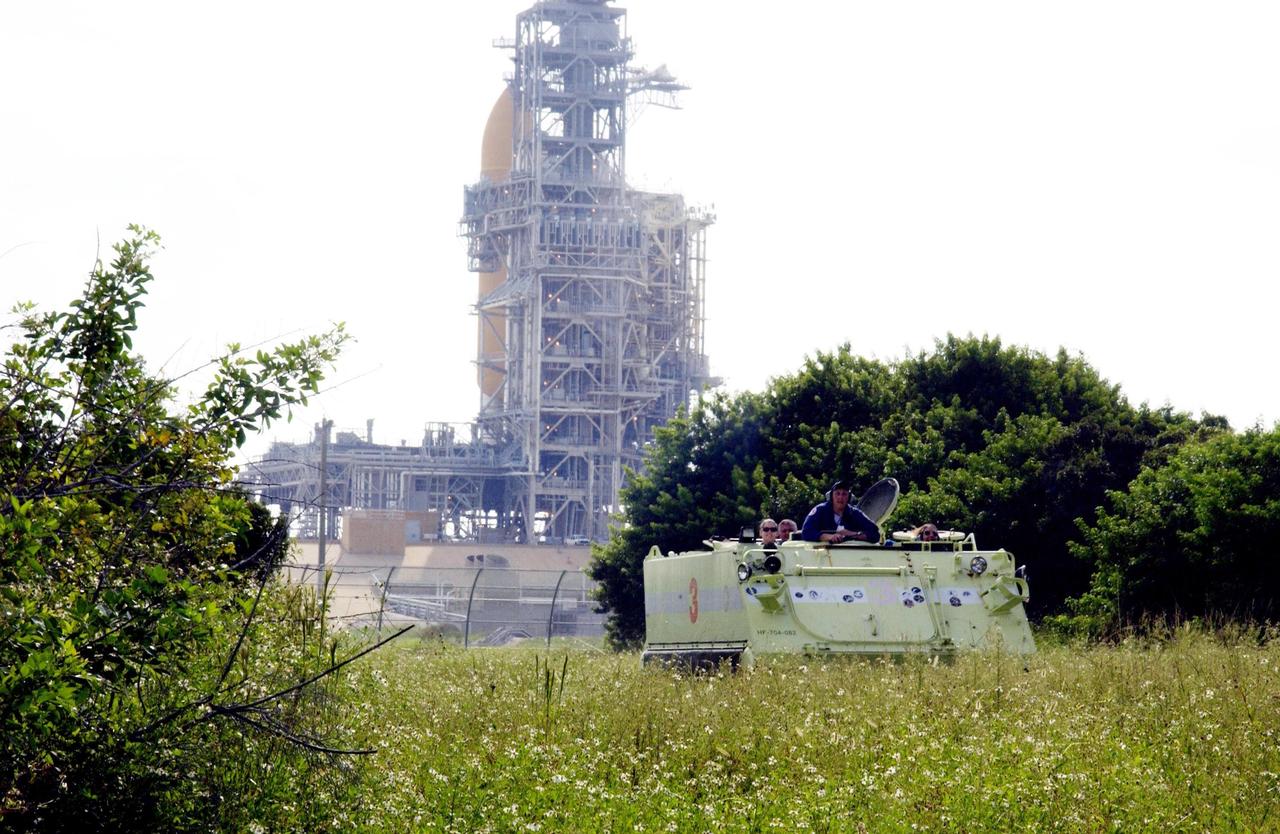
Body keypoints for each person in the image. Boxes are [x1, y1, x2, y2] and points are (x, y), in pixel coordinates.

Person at [801, 480, 880, 543]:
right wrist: (829, 537)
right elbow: (806, 532)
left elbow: (875, 534)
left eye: (844, 494)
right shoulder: (820, 510)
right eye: (837, 493)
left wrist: (851, 534)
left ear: (849, 497)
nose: (840, 497)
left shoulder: (854, 513)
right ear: (831, 496)